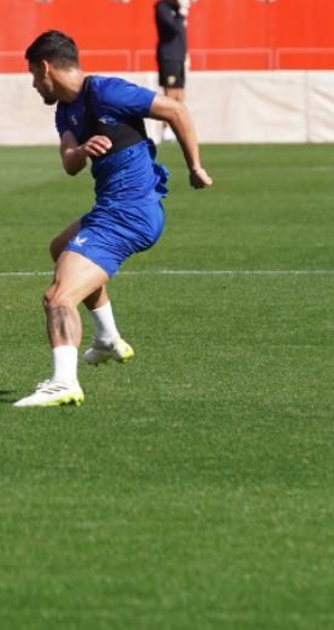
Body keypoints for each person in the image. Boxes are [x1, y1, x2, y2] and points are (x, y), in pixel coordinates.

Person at [13, 30, 213, 409]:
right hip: (113, 209)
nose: (35, 85)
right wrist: (82, 150)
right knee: (60, 248)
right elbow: (70, 163)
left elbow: (176, 110)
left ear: (45, 68)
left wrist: (195, 167)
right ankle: (107, 340)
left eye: (33, 76)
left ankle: (63, 382)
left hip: (129, 213)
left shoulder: (106, 91)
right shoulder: (65, 111)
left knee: (58, 297)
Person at [153, 0, 191, 142]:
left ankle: (177, 127)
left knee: (180, 93)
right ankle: (166, 129)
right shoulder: (162, 7)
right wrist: (181, 11)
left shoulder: (177, 9)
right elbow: (173, 29)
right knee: (170, 93)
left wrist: (186, 54)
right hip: (168, 55)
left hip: (179, 55)